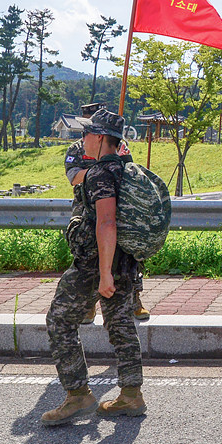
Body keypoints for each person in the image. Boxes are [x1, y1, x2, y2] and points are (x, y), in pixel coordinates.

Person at [43, 109, 147, 425]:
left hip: (96, 263)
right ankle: (131, 395)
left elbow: (106, 222)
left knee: (59, 319)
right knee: (120, 323)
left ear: (100, 138)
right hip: (126, 261)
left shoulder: (100, 173)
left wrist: (103, 273)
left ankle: (78, 395)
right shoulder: (129, 170)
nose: (83, 138)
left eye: (87, 133)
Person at [67, 103, 149, 325]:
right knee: (87, 260)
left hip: (115, 214)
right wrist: (100, 170)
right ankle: (89, 305)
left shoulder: (119, 149)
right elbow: (74, 176)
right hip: (86, 209)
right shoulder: (77, 148)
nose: (86, 135)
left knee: (126, 264)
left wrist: (111, 164)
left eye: (90, 128)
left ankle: (134, 300)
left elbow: (129, 175)